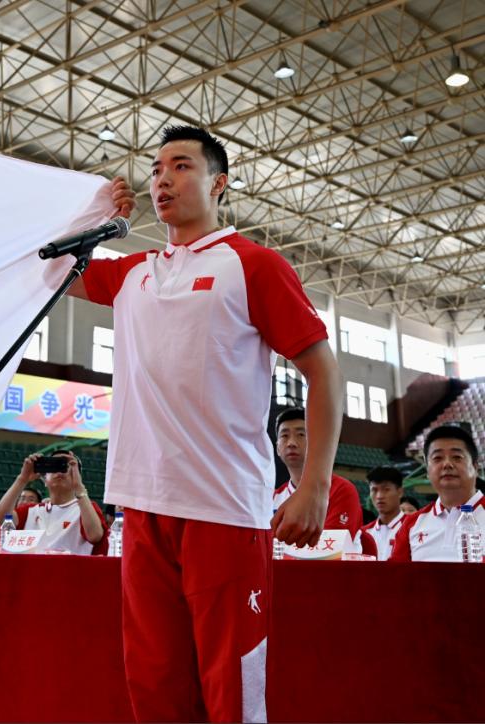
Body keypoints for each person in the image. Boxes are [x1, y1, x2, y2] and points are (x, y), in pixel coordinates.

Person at [75, 125, 342, 721]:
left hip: (223, 510)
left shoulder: (254, 266)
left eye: (181, 166)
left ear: (218, 183)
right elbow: (55, 262)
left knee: (231, 693)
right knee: (155, 684)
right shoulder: (133, 274)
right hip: (142, 507)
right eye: (156, 168)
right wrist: (96, 211)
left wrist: (314, 486)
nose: (163, 177)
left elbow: (324, 373)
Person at [390, 425, 485, 562]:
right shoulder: (412, 524)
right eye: (437, 458)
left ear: (475, 467)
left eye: (457, 457)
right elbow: (395, 578)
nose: (447, 464)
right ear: (428, 471)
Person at [0, 451, 108, 554]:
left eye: (66, 466)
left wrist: (79, 487)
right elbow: (0, 519)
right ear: (45, 480)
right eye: (54, 465)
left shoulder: (86, 508)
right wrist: (22, 478)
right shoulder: (30, 510)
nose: (59, 471)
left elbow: (95, 536)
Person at [273, 407, 363, 540]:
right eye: (284, 436)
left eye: (301, 435)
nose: (291, 443)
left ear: (317, 442)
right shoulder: (273, 498)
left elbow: (331, 549)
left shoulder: (341, 490)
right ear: (277, 448)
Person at [361, 466, 407, 561]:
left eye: (386, 489)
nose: (379, 496)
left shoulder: (415, 528)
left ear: (400, 492)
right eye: (374, 490)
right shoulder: (364, 533)